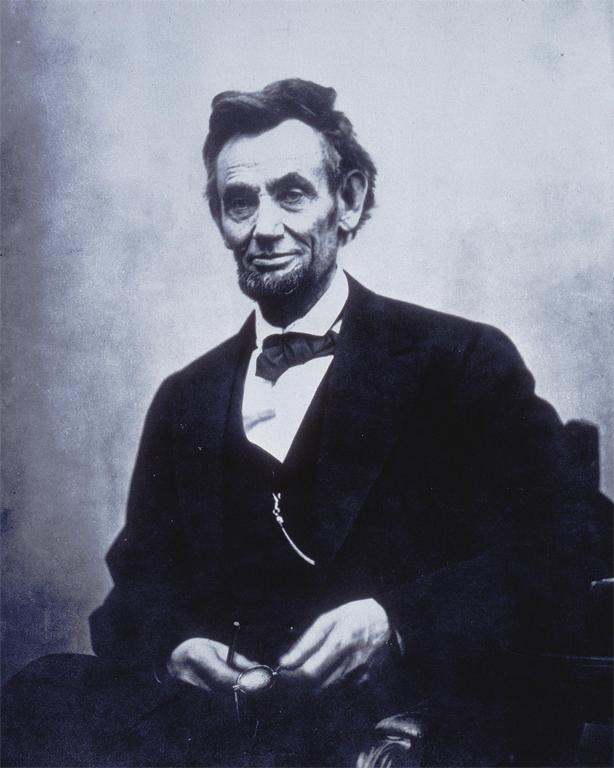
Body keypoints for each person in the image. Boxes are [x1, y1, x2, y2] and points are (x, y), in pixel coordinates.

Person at [2, 79, 611, 767]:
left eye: (292, 194)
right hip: (225, 735)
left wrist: (396, 623)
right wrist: (176, 647)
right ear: (220, 219)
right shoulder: (186, 398)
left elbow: (568, 542)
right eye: (239, 202)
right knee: (41, 694)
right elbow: (135, 592)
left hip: (398, 724)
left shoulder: (458, 360)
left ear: (347, 201)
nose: (263, 229)